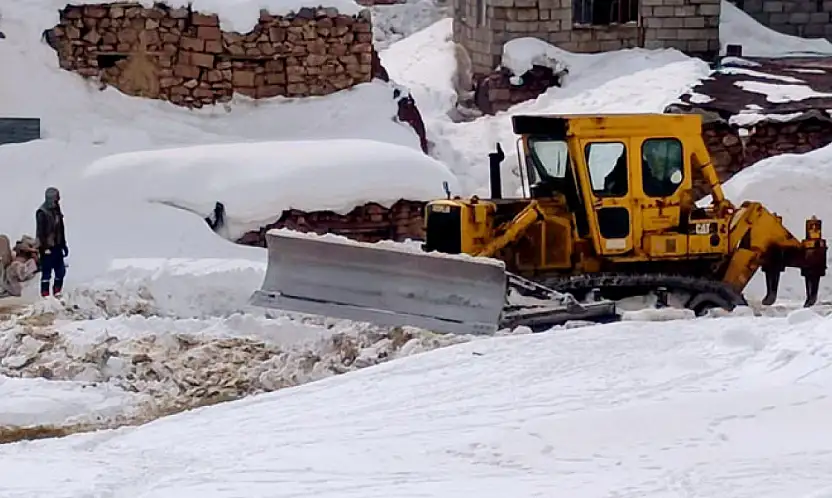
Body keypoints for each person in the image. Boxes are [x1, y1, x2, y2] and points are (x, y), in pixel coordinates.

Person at [35, 187, 68, 297]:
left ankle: (57, 292)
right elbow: (40, 232)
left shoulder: (56, 210)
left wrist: (63, 244)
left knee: (60, 271)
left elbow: (61, 228)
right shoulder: (42, 213)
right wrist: (44, 248)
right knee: (46, 273)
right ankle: (45, 296)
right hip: (47, 248)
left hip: (57, 245)